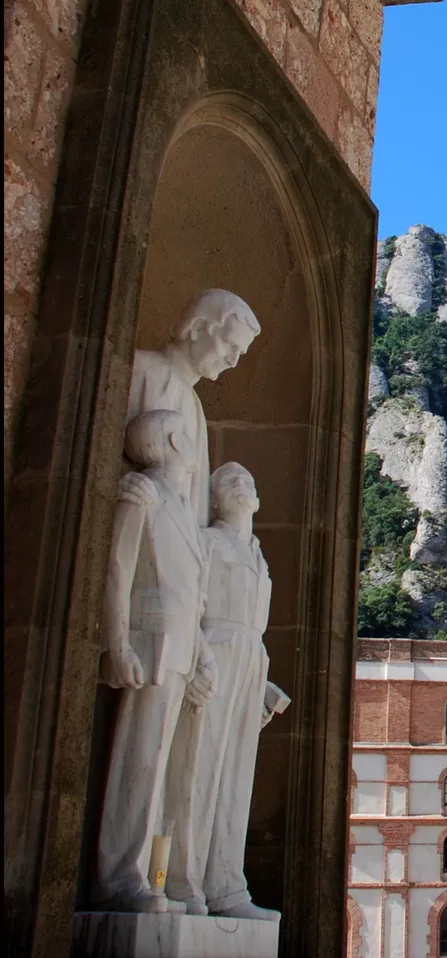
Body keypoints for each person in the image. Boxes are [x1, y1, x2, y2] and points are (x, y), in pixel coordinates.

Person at [93, 409, 218, 912]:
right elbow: (119, 572)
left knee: (164, 766)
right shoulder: (140, 493)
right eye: (187, 437)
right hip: (148, 647)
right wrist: (115, 642)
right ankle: (119, 876)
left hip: (181, 651)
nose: (193, 447)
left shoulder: (184, 512)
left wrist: (203, 654)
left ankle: (150, 873)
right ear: (171, 439)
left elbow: (192, 598)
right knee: (138, 759)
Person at [164, 463, 289, 920]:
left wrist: (262, 684)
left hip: (249, 662)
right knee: (197, 768)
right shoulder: (208, 543)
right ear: (213, 499)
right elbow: (187, 605)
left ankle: (227, 886)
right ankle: (182, 882)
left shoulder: (258, 555)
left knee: (236, 779)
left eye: (248, 482)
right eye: (229, 483)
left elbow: (252, 629)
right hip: (214, 655)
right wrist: (198, 657)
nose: (242, 487)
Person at [123, 289, 260, 522]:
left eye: (241, 353)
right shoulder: (138, 370)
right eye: (229, 345)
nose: (233, 361)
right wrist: (120, 483)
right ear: (197, 329)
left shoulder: (195, 407)